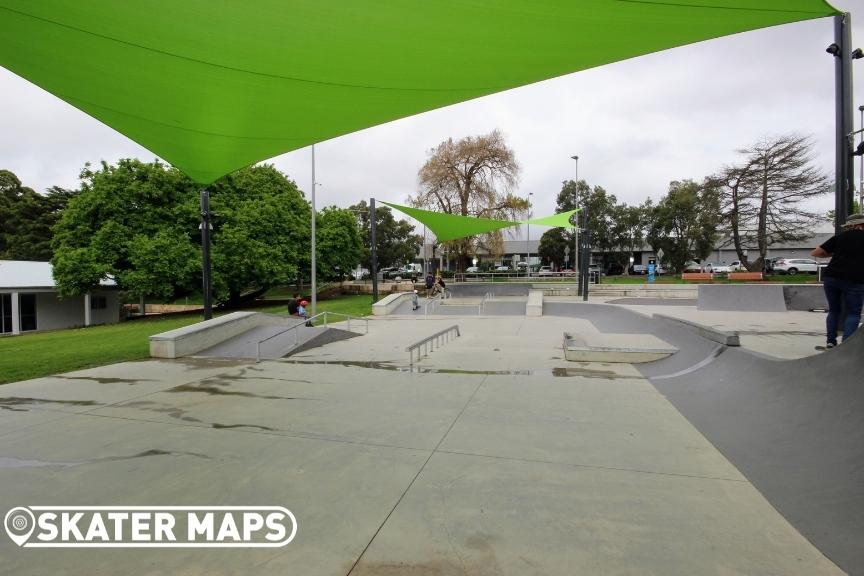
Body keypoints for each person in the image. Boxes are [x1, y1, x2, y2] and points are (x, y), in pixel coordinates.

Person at [811, 212, 864, 349]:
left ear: (851, 225)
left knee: (834, 310)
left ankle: (830, 341)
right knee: (853, 312)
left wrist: (836, 253)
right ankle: (846, 345)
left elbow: (815, 253)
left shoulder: (840, 237)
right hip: (855, 279)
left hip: (831, 278)